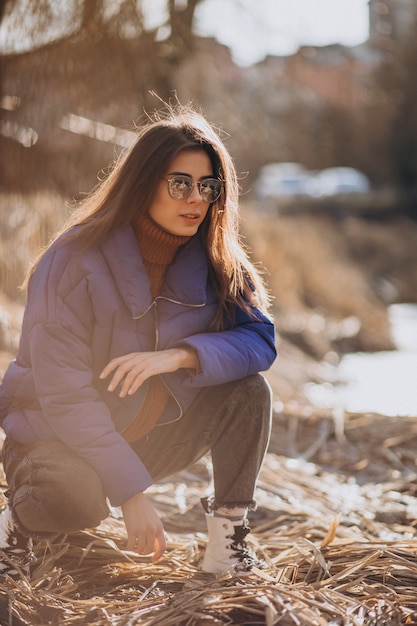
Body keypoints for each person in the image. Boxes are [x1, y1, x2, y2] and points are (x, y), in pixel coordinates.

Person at [0, 103, 276, 579]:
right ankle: (15, 526)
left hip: (145, 437)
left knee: (248, 391)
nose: (196, 198)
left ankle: (226, 546)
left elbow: (259, 340)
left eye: (209, 187)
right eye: (180, 183)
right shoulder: (73, 259)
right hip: (53, 439)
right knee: (77, 499)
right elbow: (64, 398)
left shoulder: (218, 263)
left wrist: (180, 355)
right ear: (144, 181)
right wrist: (131, 496)